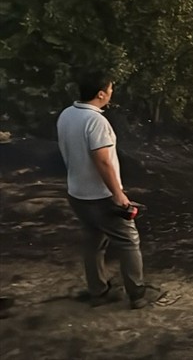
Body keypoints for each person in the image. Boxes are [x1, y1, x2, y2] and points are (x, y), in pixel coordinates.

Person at [57, 70, 160, 309]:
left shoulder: (67, 114)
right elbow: (102, 160)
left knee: (93, 241)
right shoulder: (96, 121)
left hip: (77, 193)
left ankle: (98, 291)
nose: (112, 93)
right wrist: (118, 194)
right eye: (111, 89)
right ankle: (138, 295)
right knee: (128, 241)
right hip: (100, 196)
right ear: (101, 93)